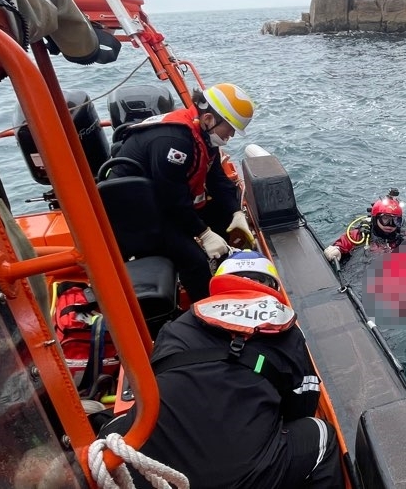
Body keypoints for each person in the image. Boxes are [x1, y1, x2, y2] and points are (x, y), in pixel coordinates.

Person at [99, 251, 344, 489]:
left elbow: (156, 379)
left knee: (117, 425)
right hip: (243, 477)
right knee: (321, 434)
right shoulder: (287, 334)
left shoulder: (176, 326)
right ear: (273, 289)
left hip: (150, 471)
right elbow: (303, 405)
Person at [110, 83, 256, 301]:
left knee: (222, 215)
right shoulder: (174, 142)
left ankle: (228, 264)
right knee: (194, 261)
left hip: (162, 203)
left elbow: (217, 179)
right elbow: (171, 199)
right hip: (138, 216)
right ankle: (206, 313)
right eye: (230, 127)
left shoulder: (203, 135)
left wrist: (236, 213)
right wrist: (204, 234)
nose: (232, 134)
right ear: (209, 119)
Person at [323, 189, 406, 264]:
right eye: (385, 219)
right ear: (375, 219)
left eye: (396, 220)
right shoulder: (361, 235)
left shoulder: (403, 236)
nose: (390, 224)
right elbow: (344, 242)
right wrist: (337, 249)